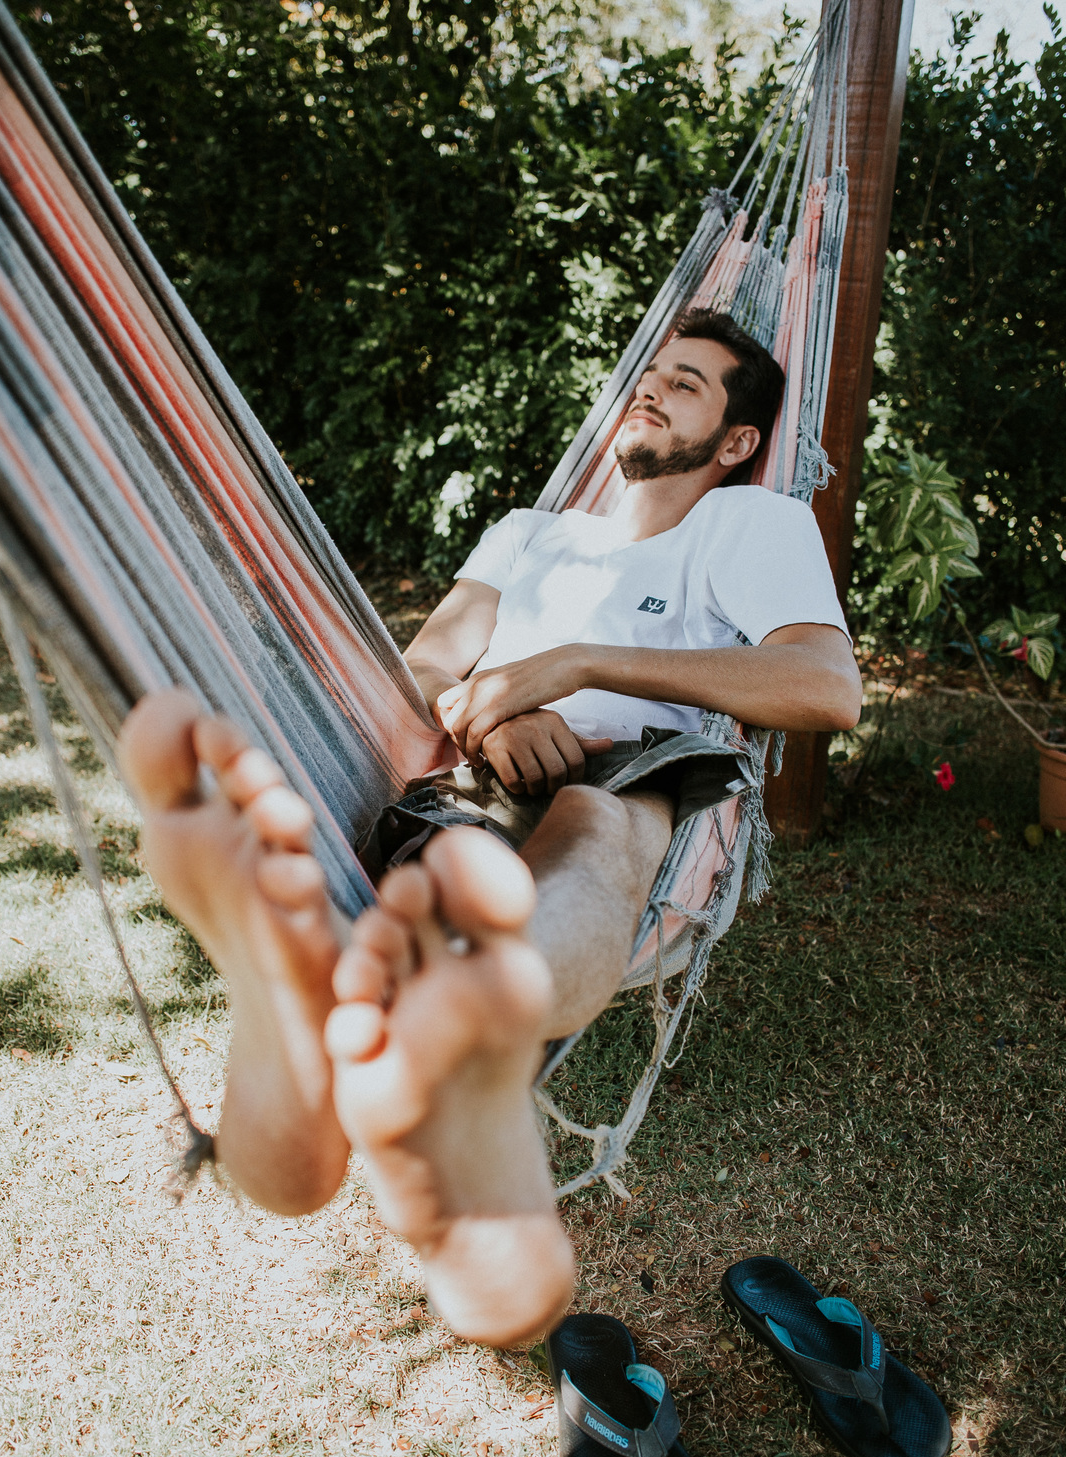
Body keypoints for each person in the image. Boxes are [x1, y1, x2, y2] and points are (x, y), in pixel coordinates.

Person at [117, 310, 862, 1348]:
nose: (649, 391)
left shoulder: (746, 525)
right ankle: (371, 1036)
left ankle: (461, 1015)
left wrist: (581, 664)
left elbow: (827, 687)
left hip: (635, 769)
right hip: (475, 776)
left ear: (736, 442)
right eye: (649, 374)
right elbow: (423, 672)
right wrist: (496, 710)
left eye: (687, 385)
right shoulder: (529, 532)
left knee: (599, 832)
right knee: (451, 874)